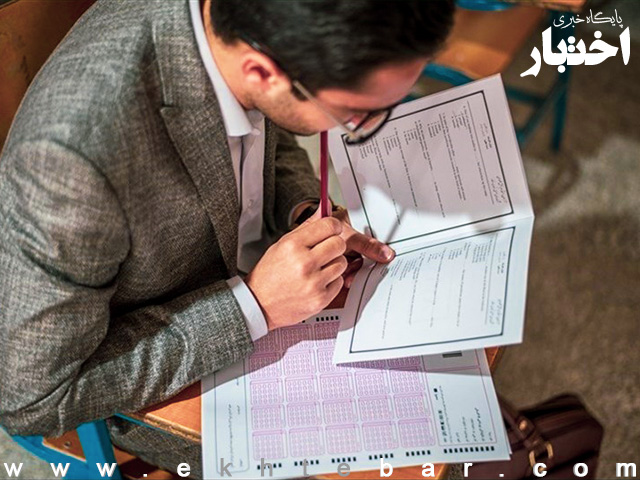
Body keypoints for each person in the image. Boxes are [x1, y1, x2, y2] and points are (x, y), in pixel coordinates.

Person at [0, 0, 454, 476]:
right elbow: (32, 399)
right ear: (261, 71)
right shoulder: (70, 163)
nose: (365, 127)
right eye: (355, 115)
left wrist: (301, 210)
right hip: (163, 372)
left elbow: (272, 124)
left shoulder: (247, 39)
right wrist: (254, 306)